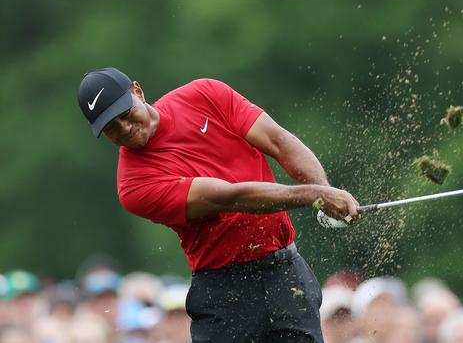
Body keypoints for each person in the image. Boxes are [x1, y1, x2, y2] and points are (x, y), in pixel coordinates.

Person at [76, 67, 360, 342]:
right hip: (225, 294)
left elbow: (279, 141)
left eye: (125, 114)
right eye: (112, 129)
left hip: (285, 272)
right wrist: (315, 196)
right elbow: (230, 197)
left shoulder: (204, 94)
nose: (125, 128)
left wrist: (325, 191)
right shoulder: (133, 185)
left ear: (137, 91)